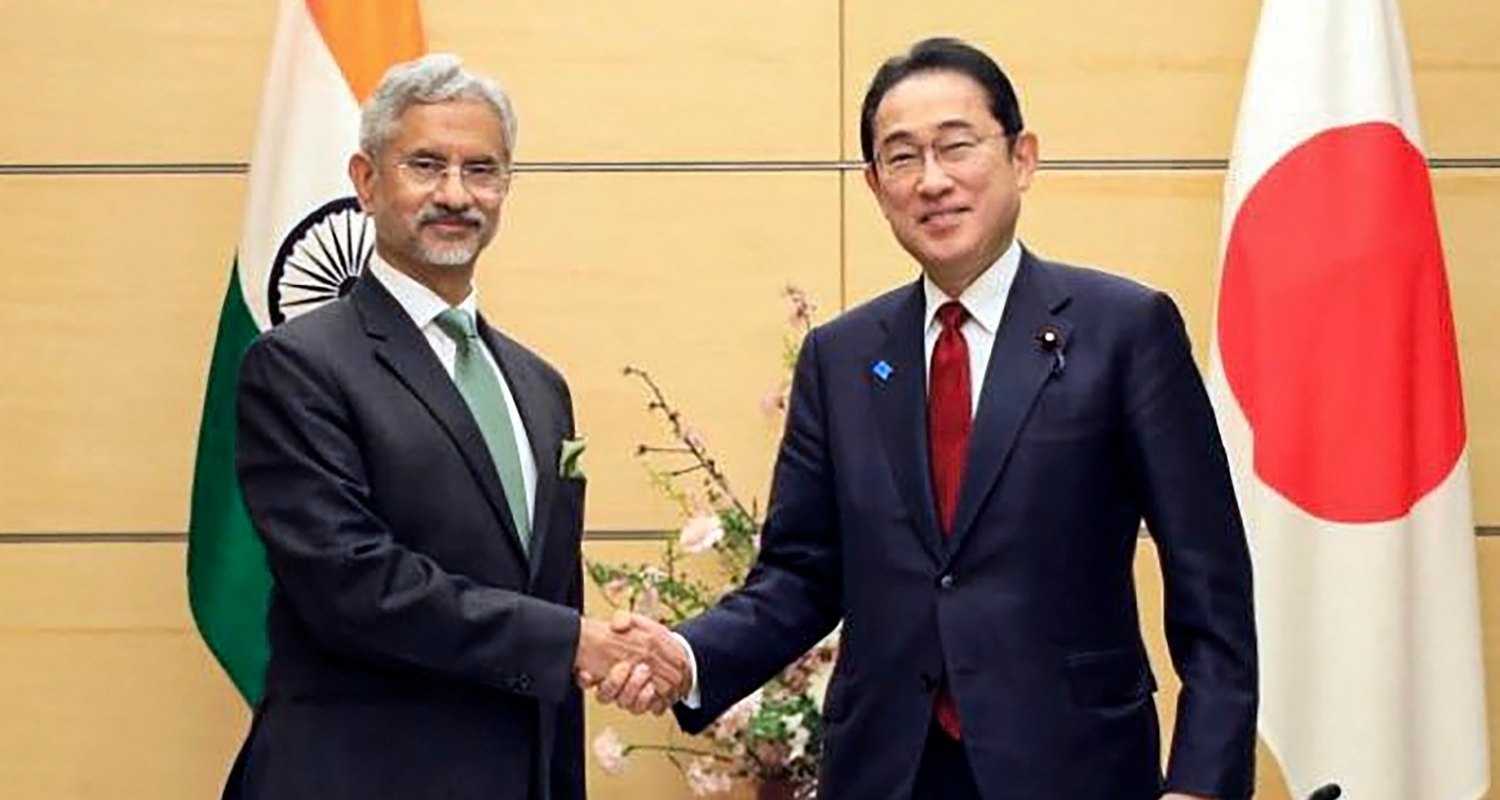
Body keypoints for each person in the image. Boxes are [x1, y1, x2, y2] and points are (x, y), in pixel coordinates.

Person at [598, 37, 1257, 800]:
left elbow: (1212, 582)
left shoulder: (1125, 330)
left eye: (956, 146)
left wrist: (1203, 782)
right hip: (889, 769)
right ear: (877, 187)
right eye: (903, 158)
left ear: (1022, 158)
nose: (933, 181)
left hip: (1074, 765)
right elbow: (802, 575)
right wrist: (689, 655)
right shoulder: (841, 358)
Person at [222, 54, 686, 800]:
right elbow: (353, 585)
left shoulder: (539, 387)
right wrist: (573, 642)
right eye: (426, 165)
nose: (455, 195)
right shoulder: (296, 367)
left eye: (482, 170)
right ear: (368, 182)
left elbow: (549, 594)